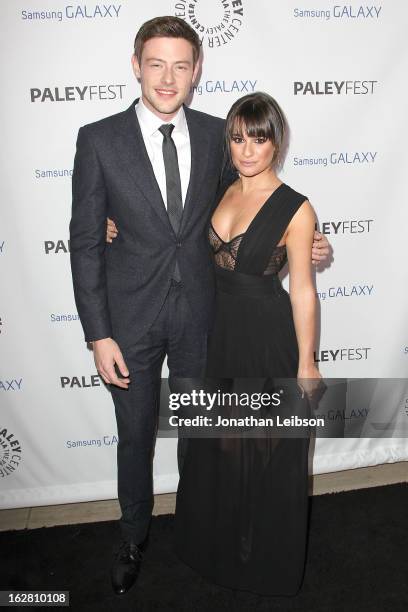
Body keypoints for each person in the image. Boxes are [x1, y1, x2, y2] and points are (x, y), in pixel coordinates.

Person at [70, 16, 329, 596]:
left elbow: (253, 211)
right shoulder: (99, 139)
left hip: (205, 325)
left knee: (203, 437)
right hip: (129, 323)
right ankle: (133, 536)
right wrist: (98, 334)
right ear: (136, 65)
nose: (168, 77)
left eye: (181, 65)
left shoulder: (220, 134)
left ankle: (204, 531)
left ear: (196, 72)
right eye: (156, 63)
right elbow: (85, 241)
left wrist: (312, 243)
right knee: (135, 435)